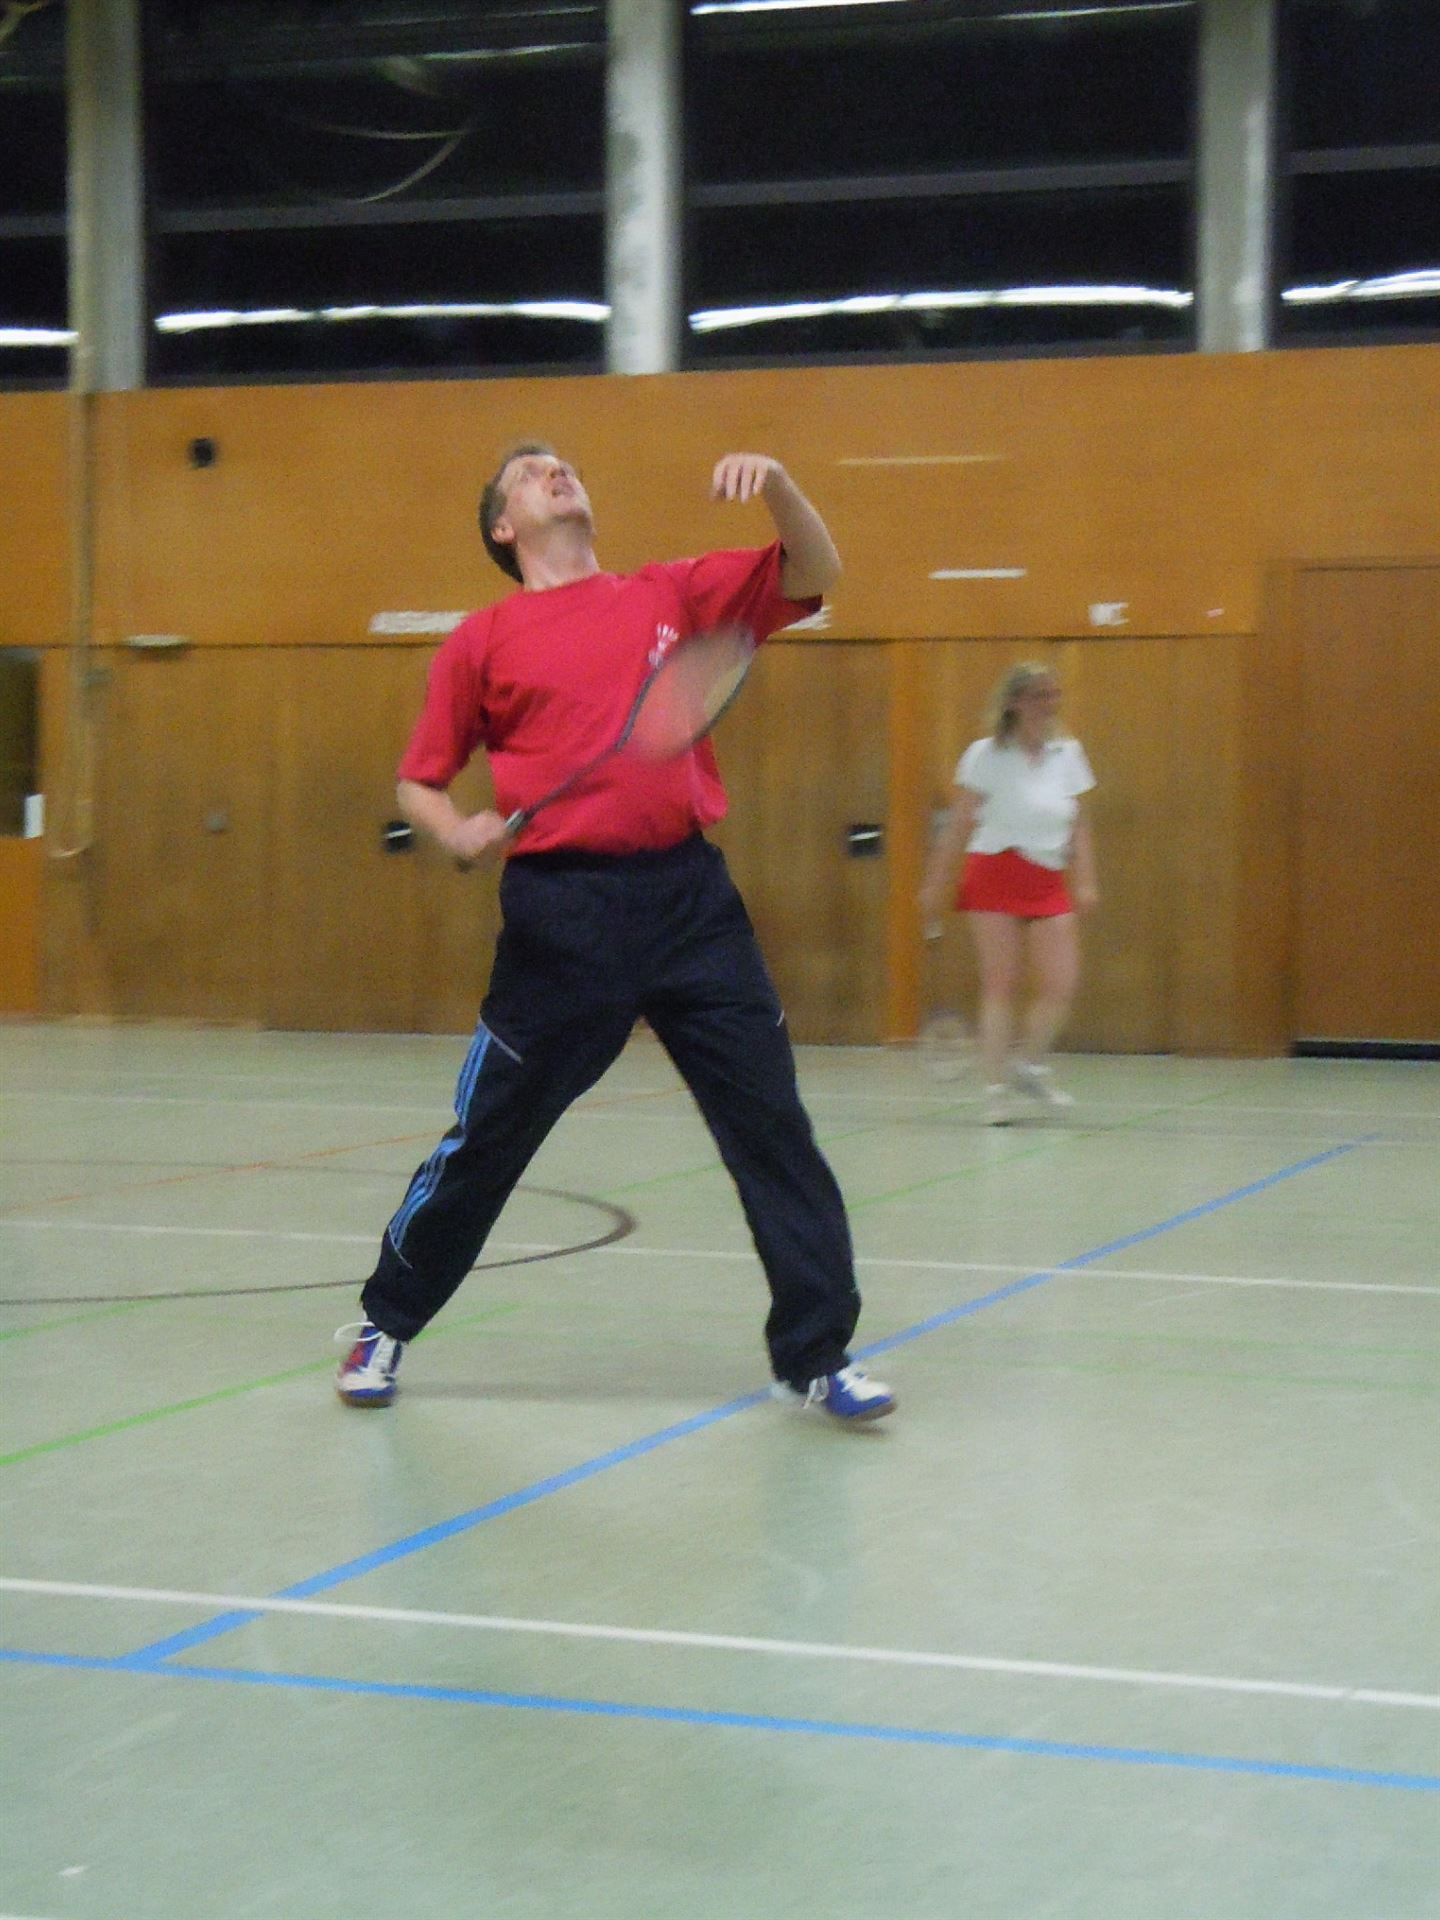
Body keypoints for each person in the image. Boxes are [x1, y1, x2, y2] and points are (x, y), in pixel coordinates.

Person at [335, 444, 895, 1423]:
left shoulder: (668, 594)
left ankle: (817, 1353)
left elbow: (817, 570)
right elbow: (418, 782)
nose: (556, 471)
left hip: (689, 902)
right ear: (502, 526)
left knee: (772, 1127)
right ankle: (386, 1320)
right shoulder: (482, 641)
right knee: (491, 1135)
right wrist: (454, 829)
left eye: (564, 464)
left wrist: (777, 485)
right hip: (563, 916)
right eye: (529, 471)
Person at [918, 661, 1098, 1125]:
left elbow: (1079, 821)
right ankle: (995, 1092)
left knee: (1061, 983)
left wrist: (1086, 878)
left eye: (1053, 694)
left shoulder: (1068, 753)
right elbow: (959, 824)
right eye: (1039, 695)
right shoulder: (986, 754)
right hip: (994, 870)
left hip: (1047, 874)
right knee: (1001, 984)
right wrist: (936, 882)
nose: (1049, 703)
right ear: (1015, 702)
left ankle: (1028, 1066)